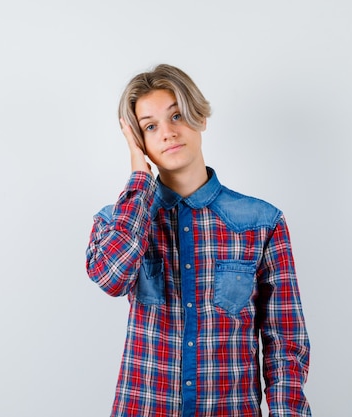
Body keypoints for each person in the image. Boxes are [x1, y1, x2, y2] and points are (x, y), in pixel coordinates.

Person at [85, 64, 311, 417]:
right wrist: (139, 178)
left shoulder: (262, 222)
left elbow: (284, 343)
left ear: (200, 118)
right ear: (138, 141)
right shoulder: (117, 221)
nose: (168, 133)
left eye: (177, 115)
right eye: (150, 126)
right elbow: (110, 279)